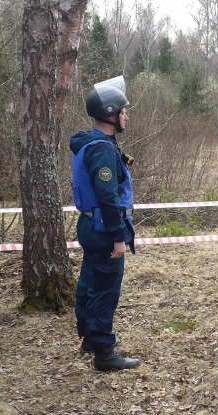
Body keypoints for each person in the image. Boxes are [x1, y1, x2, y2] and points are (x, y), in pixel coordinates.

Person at [70, 76, 140, 371]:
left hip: (91, 225)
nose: (126, 115)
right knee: (105, 289)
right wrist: (117, 237)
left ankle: (89, 337)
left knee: (89, 281)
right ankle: (104, 352)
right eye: (123, 111)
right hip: (103, 228)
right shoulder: (101, 150)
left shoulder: (94, 143)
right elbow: (108, 197)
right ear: (111, 113)